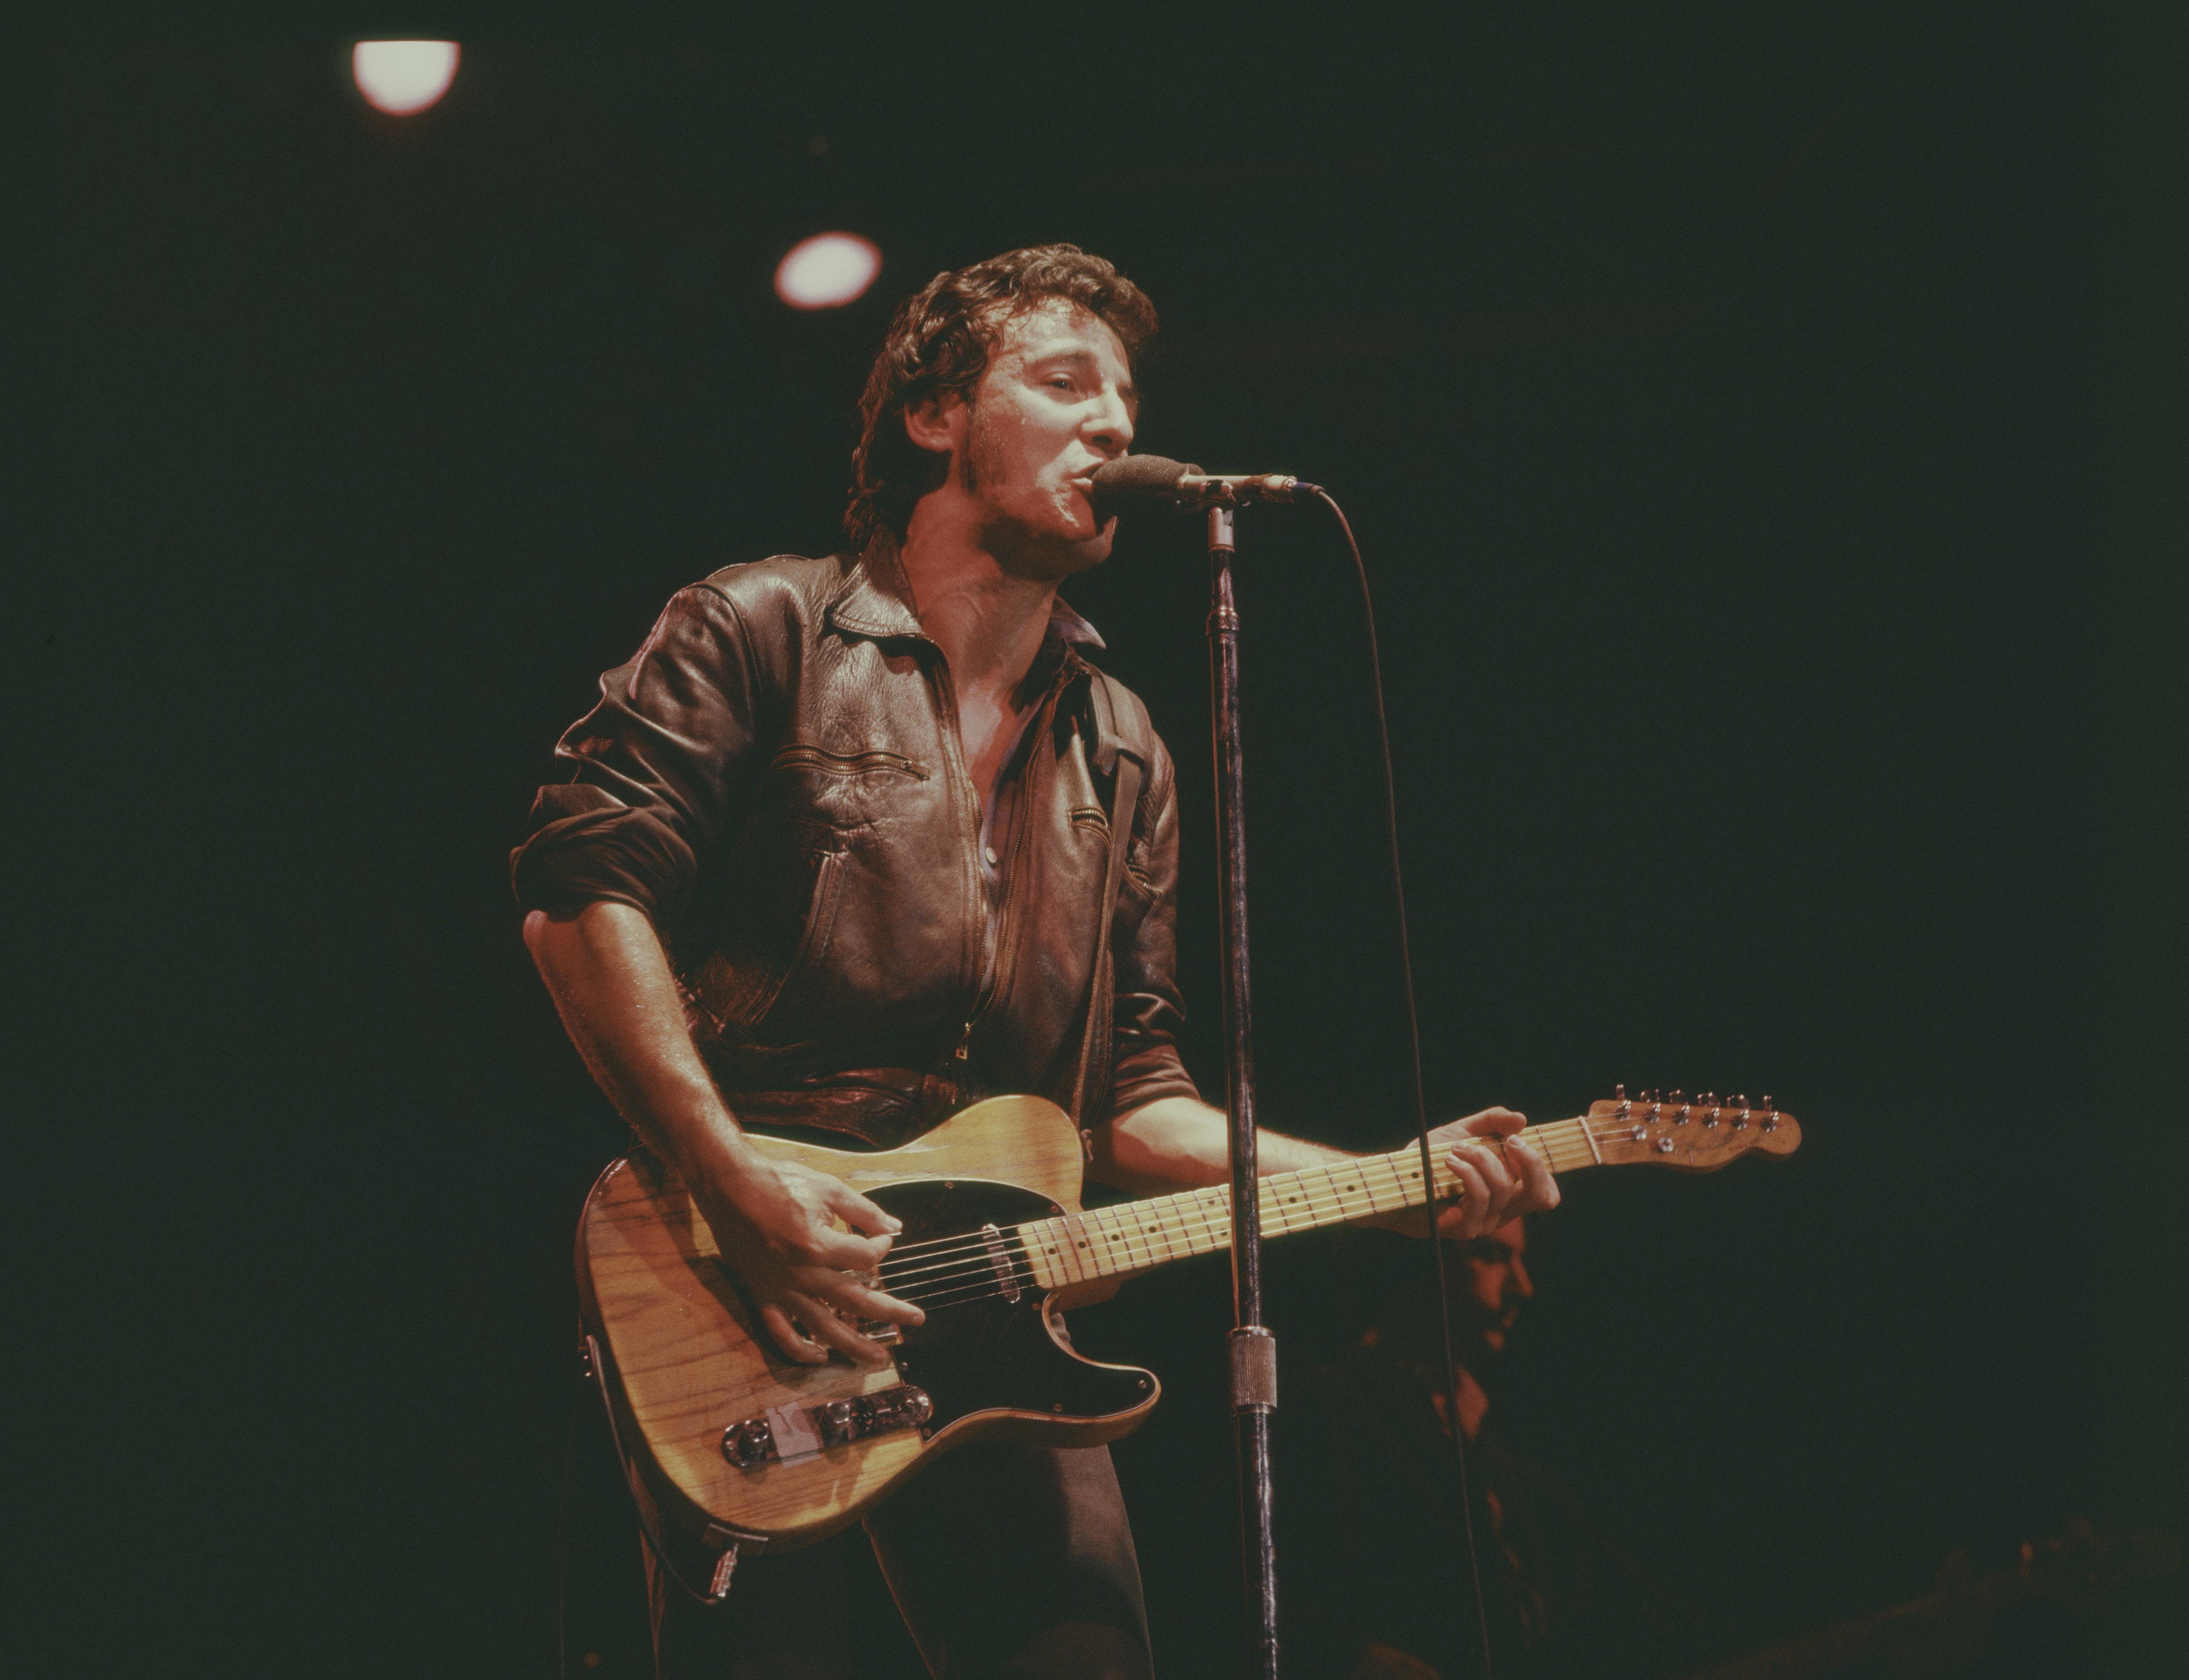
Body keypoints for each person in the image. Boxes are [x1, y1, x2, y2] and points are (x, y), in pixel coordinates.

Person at [512, 243, 1560, 1680]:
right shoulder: (764, 626)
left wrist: (1385, 1184)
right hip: (739, 1271)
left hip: (996, 1322)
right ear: (934, 413)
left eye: (1123, 399)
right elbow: (580, 892)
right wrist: (731, 1177)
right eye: (1064, 382)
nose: (1112, 423)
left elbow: (1136, 1099)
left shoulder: (1118, 743)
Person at [1281, 1218, 1683, 1680]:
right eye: (1491, 1255)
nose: (1523, 1287)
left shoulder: (1493, 1438)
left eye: (1520, 1259)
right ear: (1408, 1260)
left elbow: (1612, 1595)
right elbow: (1240, 1593)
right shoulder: (1321, 1406)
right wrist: (1351, 1658)